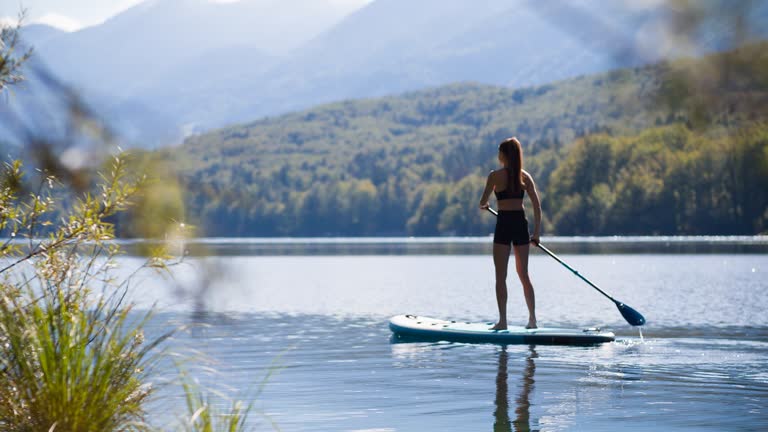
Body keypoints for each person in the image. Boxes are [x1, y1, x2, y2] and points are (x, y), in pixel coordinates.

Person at [479, 137, 541, 330]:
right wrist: (536, 234)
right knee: (524, 275)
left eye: (499, 151)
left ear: (504, 155)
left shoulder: (494, 176)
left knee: (500, 276)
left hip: (504, 224)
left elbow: (482, 202)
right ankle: (532, 320)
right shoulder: (525, 177)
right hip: (520, 224)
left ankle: (503, 321)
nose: (498, 155)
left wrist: (486, 205)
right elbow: (537, 207)